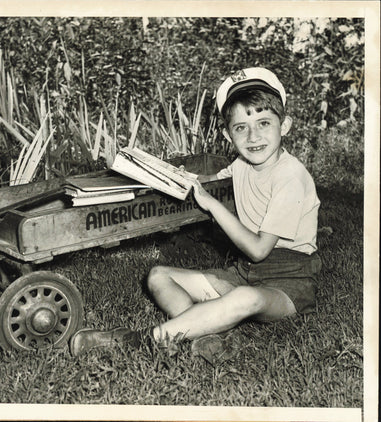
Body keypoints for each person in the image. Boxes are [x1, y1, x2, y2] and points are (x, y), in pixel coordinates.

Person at [69, 67, 322, 363]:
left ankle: (140, 340)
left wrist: (212, 205)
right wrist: (170, 177)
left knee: (246, 298)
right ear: (228, 134)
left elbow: (258, 249)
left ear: (286, 125)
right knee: (159, 276)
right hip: (245, 274)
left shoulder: (291, 176)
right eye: (241, 127)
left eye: (264, 123)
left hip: (290, 282)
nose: (253, 136)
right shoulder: (241, 165)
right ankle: (209, 333)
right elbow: (208, 181)